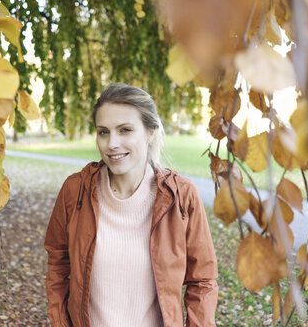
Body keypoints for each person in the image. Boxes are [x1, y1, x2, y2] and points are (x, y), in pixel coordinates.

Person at [44, 83, 218, 327]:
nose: (112, 143)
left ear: (150, 132)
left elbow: (202, 281)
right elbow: (58, 266)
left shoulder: (181, 196)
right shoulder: (75, 192)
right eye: (103, 132)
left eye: (125, 130)